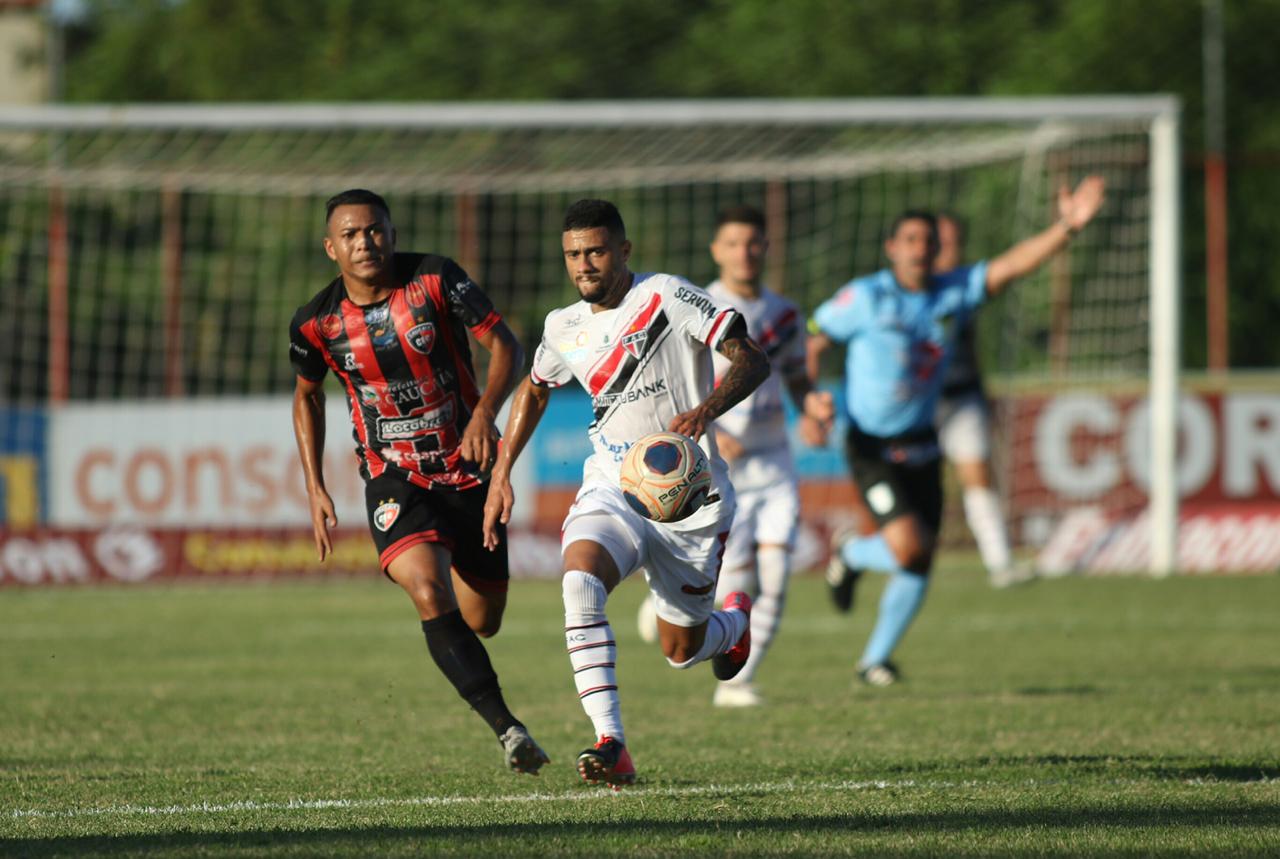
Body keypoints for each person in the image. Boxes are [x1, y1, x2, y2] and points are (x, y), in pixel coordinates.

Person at [483, 199, 771, 788]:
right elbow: (535, 390)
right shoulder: (563, 326)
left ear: (623, 250)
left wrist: (705, 409)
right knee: (579, 581)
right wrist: (501, 471)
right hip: (614, 483)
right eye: (572, 254)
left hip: (689, 499)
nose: (584, 264)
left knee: (681, 649)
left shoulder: (667, 296)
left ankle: (733, 625)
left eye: (595, 250)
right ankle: (611, 743)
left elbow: (752, 358)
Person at [289, 189, 549, 775]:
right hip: (394, 476)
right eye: (351, 235)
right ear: (332, 248)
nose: (365, 242)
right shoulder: (315, 322)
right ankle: (508, 730)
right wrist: (313, 484)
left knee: (484, 620)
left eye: (374, 229)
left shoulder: (436, 280)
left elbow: (505, 344)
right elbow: (306, 396)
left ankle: (455, 582)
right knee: (428, 594)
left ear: (392, 232)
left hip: (468, 467)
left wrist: (484, 413)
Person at [810, 177, 1106, 687]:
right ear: (892, 248)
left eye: (929, 242)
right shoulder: (866, 296)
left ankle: (874, 659)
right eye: (910, 241)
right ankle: (851, 552)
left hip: (925, 440)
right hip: (870, 445)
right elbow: (814, 340)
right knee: (907, 547)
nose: (920, 250)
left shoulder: (954, 292)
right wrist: (813, 401)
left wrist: (1066, 229)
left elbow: (1014, 265)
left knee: (921, 559)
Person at [637, 205, 834, 708]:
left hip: (774, 462)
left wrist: (811, 407)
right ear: (716, 251)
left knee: (777, 577)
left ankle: (739, 682)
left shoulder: (785, 313)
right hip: (718, 467)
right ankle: (670, 597)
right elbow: (676, 383)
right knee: (734, 576)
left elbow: (794, 375)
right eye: (733, 243)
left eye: (753, 243)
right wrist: (715, 426)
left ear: (765, 248)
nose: (744, 252)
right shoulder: (699, 308)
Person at [933, 213, 1030, 589]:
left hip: (961, 399)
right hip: (914, 409)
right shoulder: (903, 290)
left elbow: (971, 352)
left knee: (977, 477)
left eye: (956, 241)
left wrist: (984, 396)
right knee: (914, 492)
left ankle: (1000, 562)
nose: (950, 250)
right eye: (943, 242)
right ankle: (868, 554)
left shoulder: (965, 288)